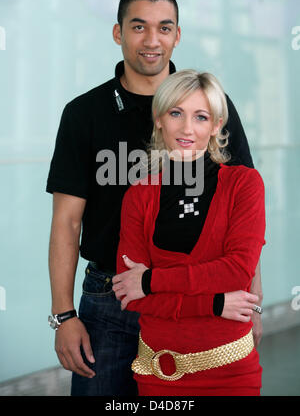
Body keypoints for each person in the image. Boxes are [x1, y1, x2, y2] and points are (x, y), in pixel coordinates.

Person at [46, 0, 262, 397]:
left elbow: (244, 218)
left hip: (203, 297)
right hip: (109, 299)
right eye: (138, 27)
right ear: (118, 33)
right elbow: (66, 222)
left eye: (165, 28)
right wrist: (63, 315)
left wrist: (250, 299)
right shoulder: (83, 114)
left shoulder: (214, 106)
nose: (152, 40)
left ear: (177, 35)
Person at [114, 70, 265, 396]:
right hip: (157, 373)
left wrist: (151, 281)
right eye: (176, 113)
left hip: (231, 374)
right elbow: (130, 296)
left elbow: (237, 272)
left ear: (216, 125)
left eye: (200, 116)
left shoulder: (244, 185)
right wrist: (213, 303)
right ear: (159, 120)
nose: (186, 128)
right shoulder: (138, 195)